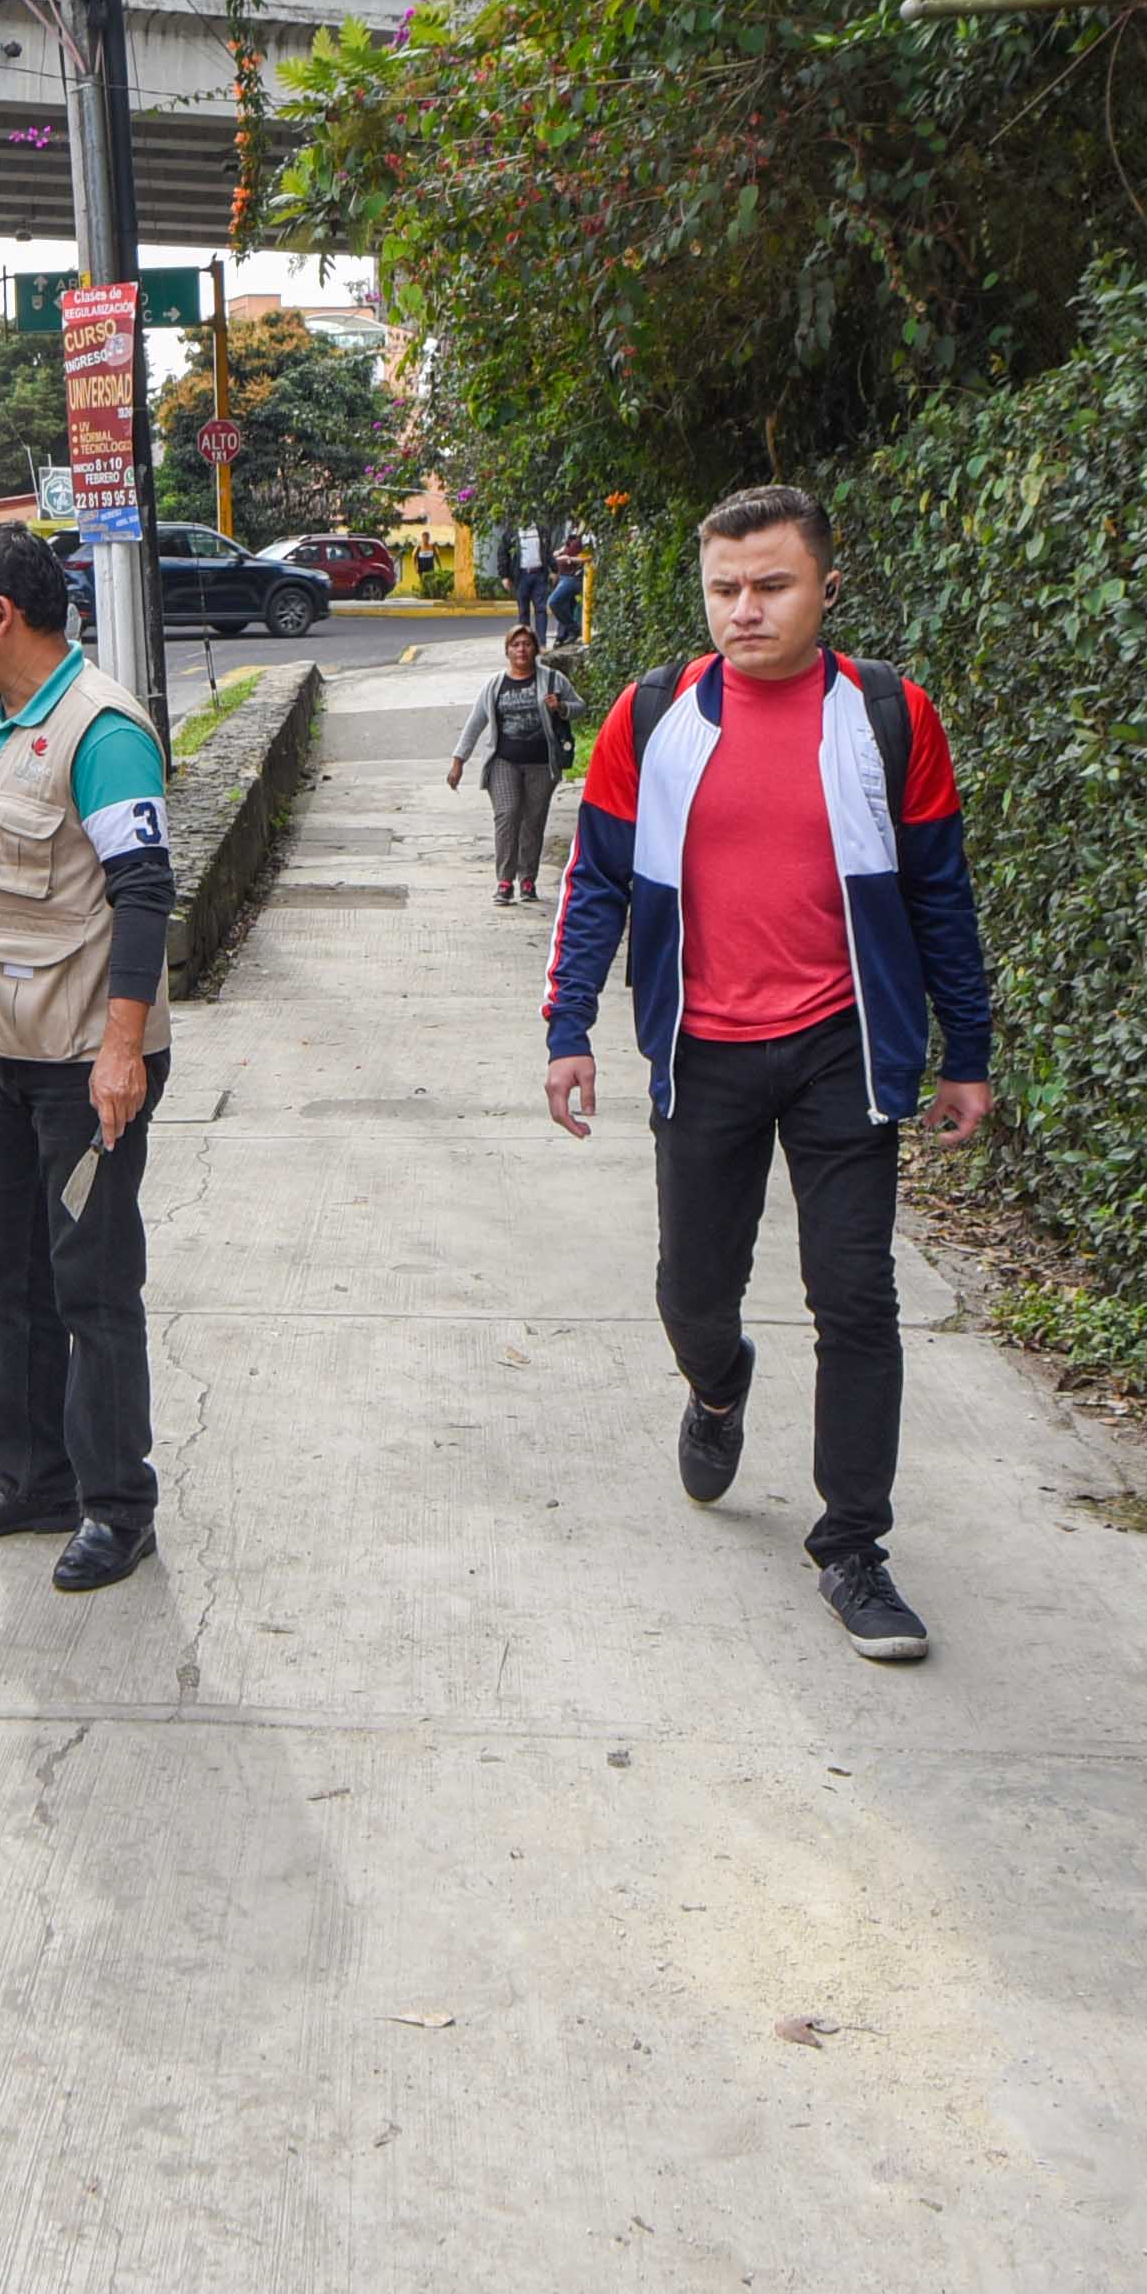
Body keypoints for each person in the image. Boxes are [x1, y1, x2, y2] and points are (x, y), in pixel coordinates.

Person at [535, 485, 998, 1666]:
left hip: (845, 1048)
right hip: (702, 1046)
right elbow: (596, 880)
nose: (745, 609)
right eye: (725, 589)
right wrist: (569, 1026)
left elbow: (940, 891)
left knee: (857, 1300)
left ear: (824, 586)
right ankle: (719, 1385)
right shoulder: (652, 717)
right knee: (693, 1291)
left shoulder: (889, 716)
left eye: (771, 585)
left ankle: (852, 1546)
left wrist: (966, 1051)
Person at [0, 525, 179, 1596]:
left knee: (93, 1287)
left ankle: (117, 1507)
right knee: (7, 1272)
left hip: (83, 1066)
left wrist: (123, 1049)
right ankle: (30, 1476)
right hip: (5, 1057)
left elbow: (145, 892)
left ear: (0, 616)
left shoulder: (101, 728)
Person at [444, 619, 576, 906]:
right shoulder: (495, 685)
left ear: (535, 649)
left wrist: (562, 707)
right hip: (504, 761)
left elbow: (580, 707)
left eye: (527, 644)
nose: (521, 650)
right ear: (507, 651)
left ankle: (527, 879)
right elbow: (474, 723)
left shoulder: (553, 680)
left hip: (542, 764)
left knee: (533, 820)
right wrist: (458, 761)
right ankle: (504, 881)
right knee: (507, 814)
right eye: (515, 645)